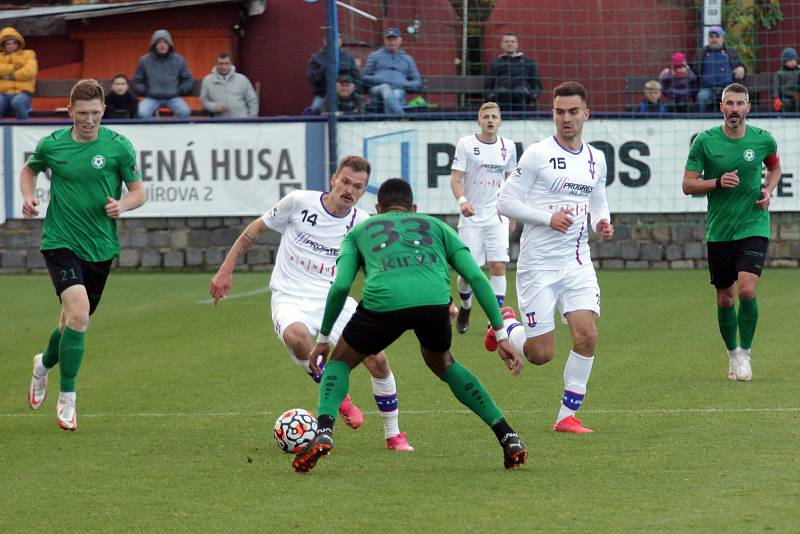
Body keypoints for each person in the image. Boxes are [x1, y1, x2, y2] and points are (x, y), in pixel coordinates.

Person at [291, 178, 527, 474]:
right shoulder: (438, 227)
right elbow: (477, 278)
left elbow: (340, 287)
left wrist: (324, 337)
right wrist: (501, 334)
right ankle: (507, 435)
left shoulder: (359, 230)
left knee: (339, 361)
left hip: (382, 305)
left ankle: (324, 430)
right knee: (444, 364)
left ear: (378, 209)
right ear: (414, 208)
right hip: (434, 304)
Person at [209, 156, 413, 452]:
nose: (349, 190)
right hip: (290, 296)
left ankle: (393, 435)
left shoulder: (363, 223)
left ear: (364, 190)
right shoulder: (299, 202)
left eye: (358, 186)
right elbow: (254, 230)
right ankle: (339, 397)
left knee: (377, 359)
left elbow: (385, 266)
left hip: (335, 300)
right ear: (333, 179)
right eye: (344, 182)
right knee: (297, 337)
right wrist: (226, 269)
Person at [22, 79, 145, 431]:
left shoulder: (119, 147)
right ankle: (68, 398)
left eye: (95, 113)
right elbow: (29, 170)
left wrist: (123, 204)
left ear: (104, 110)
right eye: (82, 113)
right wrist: (29, 197)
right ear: (70, 111)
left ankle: (43, 364)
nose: (89, 120)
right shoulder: (53, 145)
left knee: (70, 323)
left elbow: (138, 192)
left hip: (100, 246)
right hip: (60, 241)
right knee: (78, 316)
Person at [491, 81, 614, 434]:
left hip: (577, 262)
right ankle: (505, 328)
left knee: (587, 335)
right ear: (553, 114)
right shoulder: (537, 154)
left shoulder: (596, 159)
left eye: (573, 112)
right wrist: (547, 218)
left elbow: (598, 200)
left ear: (585, 115)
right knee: (540, 355)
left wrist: (602, 222)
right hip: (538, 266)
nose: (566, 118)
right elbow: (504, 202)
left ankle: (566, 416)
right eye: (559, 112)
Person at [681, 82, 781, 381]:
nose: (735, 109)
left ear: (748, 108)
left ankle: (746, 354)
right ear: (721, 107)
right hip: (720, 231)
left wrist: (769, 190)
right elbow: (688, 185)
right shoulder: (705, 142)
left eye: (740, 104)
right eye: (729, 104)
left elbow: (774, 168)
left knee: (748, 290)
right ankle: (732, 353)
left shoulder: (763, 140)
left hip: (753, 224)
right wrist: (716, 182)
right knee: (725, 299)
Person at [450, 102, 517, 334]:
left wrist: (513, 213)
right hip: (472, 216)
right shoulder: (466, 145)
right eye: (486, 116)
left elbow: (511, 182)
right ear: (479, 121)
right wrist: (463, 202)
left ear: (500, 122)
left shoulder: (508, 147)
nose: (490, 120)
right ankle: (466, 306)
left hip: (497, 216)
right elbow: (456, 179)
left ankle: (494, 318)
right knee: (469, 273)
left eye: (494, 117)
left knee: (498, 265)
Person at [133, 29, 194, 119]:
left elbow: (188, 80)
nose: (163, 45)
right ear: (154, 44)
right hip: (152, 97)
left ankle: (173, 131)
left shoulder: (179, 60)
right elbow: (137, 81)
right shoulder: (144, 61)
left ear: (169, 44)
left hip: (173, 97)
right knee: (141, 113)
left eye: (165, 42)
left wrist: (179, 90)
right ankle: (153, 131)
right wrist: (146, 90)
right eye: (159, 42)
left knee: (184, 112)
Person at [361, 28, 421, 115]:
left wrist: (406, 84)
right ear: (384, 41)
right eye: (389, 40)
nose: (392, 42)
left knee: (397, 93)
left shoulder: (408, 59)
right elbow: (364, 77)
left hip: (398, 90)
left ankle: (391, 121)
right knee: (385, 87)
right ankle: (402, 116)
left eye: (394, 39)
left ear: (400, 40)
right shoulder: (375, 56)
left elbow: (417, 82)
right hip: (378, 90)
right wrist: (380, 79)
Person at [484, 33, 542, 112]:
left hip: (523, 98)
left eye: (512, 41)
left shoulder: (529, 63)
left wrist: (533, 96)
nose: (509, 43)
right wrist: (491, 96)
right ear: (502, 44)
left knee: (520, 91)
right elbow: (488, 85)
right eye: (506, 41)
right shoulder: (495, 63)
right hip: (501, 98)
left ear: (517, 45)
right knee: (502, 92)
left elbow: (536, 85)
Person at [693, 26, 745, 112]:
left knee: (733, 100)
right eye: (711, 36)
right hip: (707, 88)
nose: (714, 39)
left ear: (723, 39)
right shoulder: (701, 53)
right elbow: (694, 69)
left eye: (717, 37)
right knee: (701, 97)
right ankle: (701, 121)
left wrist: (742, 68)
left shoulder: (730, 52)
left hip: (727, 88)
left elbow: (740, 65)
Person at [307, 32, 360, 115]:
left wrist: (352, 89)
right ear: (324, 41)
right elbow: (312, 78)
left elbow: (356, 77)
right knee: (315, 109)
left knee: (361, 109)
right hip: (323, 94)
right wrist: (326, 68)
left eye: (337, 39)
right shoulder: (316, 58)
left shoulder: (348, 57)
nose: (334, 42)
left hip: (347, 94)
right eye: (331, 39)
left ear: (341, 41)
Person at [200, 52, 259, 118]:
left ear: (231, 64)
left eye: (226, 64)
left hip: (241, 121)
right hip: (218, 122)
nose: (224, 66)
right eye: (221, 64)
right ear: (216, 64)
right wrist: (215, 107)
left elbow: (252, 100)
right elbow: (204, 101)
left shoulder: (242, 79)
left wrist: (251, 119)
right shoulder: (208, 80)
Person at [0, 26, 37, 120]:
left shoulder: (28, 54)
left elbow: (29, 72)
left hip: (22, 93)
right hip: (2, 94)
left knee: (18, 102)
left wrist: (11, 76)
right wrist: (15, 67)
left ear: (18, 43)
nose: (11, 46)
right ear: (3, 45)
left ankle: (26, 128)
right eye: (8, 43)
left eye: (14, 42)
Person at [771, 47, 799, 113]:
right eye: (790, 60)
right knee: (784, 105)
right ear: (784, 61)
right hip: (785, 98)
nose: (793, 62)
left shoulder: (798, 72)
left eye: (794, 60)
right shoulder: (779, 74)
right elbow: (775, 87)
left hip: (797, 97)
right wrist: (776, 98)